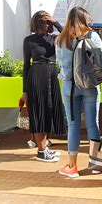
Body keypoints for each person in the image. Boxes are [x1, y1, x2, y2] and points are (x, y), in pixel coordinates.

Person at [56, 7, 102, 178]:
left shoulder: (61, 40)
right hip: (90, 86)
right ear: (85, 19)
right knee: (92, 124)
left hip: (69, 87)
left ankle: (72, 166)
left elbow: (60, 65)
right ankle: (95, 164)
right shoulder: (92, 36)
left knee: (73, 125)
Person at [22, 11, 65, 162]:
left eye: (47, 23)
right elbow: (26, 65)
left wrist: (55, 22)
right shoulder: (29, 40)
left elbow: (69, 36)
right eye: (42, 22)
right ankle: (41, 151)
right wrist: (25, 90)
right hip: (36, 75)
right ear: (36, 24)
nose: (45, 25)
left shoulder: (54, 39)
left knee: (49, 110)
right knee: (39, 111)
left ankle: (44, 147)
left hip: (51, 75)